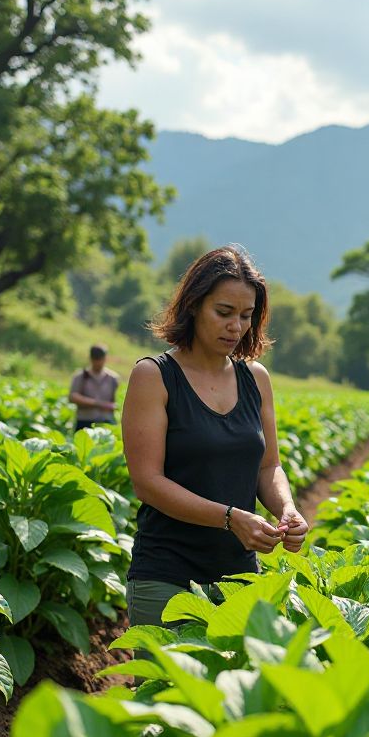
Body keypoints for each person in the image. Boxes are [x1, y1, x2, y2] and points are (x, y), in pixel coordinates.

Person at [121, 245, 309, 627]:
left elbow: (268, 466)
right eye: (223, 312)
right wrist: (229, 518)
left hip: (240, 580)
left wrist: (286, 508)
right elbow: (148, 483)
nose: (235, 327)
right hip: (166, 577)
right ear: (193, 305)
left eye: (246, 315)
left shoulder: (255, 378)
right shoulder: (153, 376)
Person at [69, 344, 120, 430]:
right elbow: (73, 397)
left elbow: (114, 401)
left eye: (100, 359)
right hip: (85, 420)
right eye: (95, 359)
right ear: (91, 359)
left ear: (105, 359)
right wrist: (99, 404)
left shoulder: (113, 378)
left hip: (106, 421)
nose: (97, 363)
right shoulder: (81, 376)